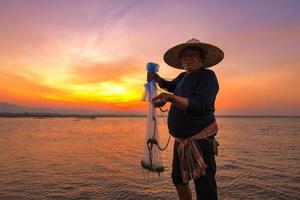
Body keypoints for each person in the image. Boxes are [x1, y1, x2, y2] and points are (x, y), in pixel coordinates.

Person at [147, 38, 224, 200]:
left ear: (201, 59)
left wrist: (171, 98)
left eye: (192, 55)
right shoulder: (182, 77)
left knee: (205, 186)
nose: (187, 59)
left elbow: (201, 105)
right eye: (184, 56)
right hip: (181, 141)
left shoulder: (208, 77)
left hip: (201, 141)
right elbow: (170, 86)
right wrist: (157, 79)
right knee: (178, 179)